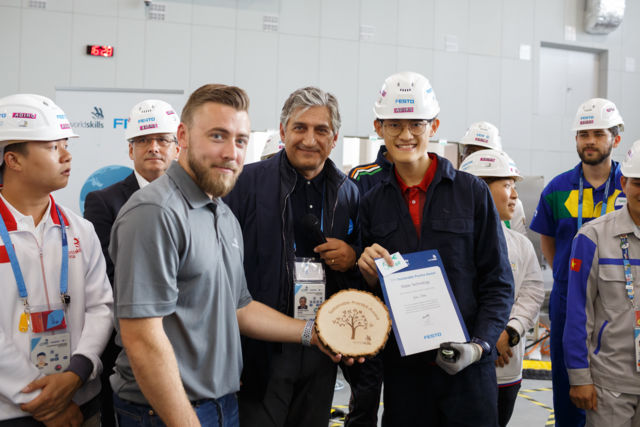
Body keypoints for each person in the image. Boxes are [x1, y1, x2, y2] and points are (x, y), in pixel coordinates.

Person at [108, 84, 357, 427]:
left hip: (222, 403)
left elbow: (241, 308)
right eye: (217, 136)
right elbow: (142, 339)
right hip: (167, 409)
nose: (230, 152)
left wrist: (312, 333)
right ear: (183, 136)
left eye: (240, 140)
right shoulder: (155, 212)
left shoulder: (222, 214)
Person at [357, 71, 514, 426]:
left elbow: (499, 282)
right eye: (394, 125)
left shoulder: (472, 193)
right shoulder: (371, 203)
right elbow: (370, 296)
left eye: (417, 124)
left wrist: (479, 346)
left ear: (435, 126)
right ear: (379, 128)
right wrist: (366, 274)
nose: (406, 134)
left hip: (469, 373)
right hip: (405, 378)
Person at [225, 86, 361, 427]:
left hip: (321, 348)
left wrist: (352, 256)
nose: (310, 139)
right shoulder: (245, 185)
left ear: (335, 139)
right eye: (300, 127)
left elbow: (359, 270)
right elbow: (223, 275)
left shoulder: (348, 193)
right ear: (283, 131)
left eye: (321, 130)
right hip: (261, 348)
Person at [0, 94, 113, 426]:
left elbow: (101, 306)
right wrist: (42, 401)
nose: (67, 155)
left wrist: (77, 373)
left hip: (82, 401)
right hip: (11, 413)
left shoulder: (80, 229)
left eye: (66, 145)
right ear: (13, 159)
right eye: (53, 147)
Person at [83, 98, 180, 427]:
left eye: (162, 140)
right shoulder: (104, 201)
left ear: (177, 147)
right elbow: (109, 273)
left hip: (186, 343)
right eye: (143, 140)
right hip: (126, 345)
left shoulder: (194, 200)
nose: (153, 147)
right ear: (130, 149)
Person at [530, 97, 625, 427]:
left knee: (621, 387)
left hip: (621, 300)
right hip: (568, 299)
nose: (590, 141)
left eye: (598, 134)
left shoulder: (630, 186)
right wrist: (569, 278)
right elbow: (548, 240)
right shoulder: (557, 189)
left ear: (616, 138)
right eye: (583, 134)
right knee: (568, 384)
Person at [460, 149, 545, 427]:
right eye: (507, 185)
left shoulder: (520, 244)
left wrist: (510, 331)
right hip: (458, 367)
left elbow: (532, 292)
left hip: (505, 367)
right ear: (479, 188)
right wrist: (485, 336)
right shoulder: (450, 243)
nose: (515, 195)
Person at [564, 139, 640, 426]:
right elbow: (578, 312)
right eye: (638, 183)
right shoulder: (592, 237)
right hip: (610, 385)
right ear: (624, 183)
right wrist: (579, 377)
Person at [458, 121, 527, 235]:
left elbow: (519, 241)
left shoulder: (512, 203)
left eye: (486, 153)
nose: (478, 159)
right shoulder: (450, 196)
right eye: (471, 152)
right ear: (461, 158)